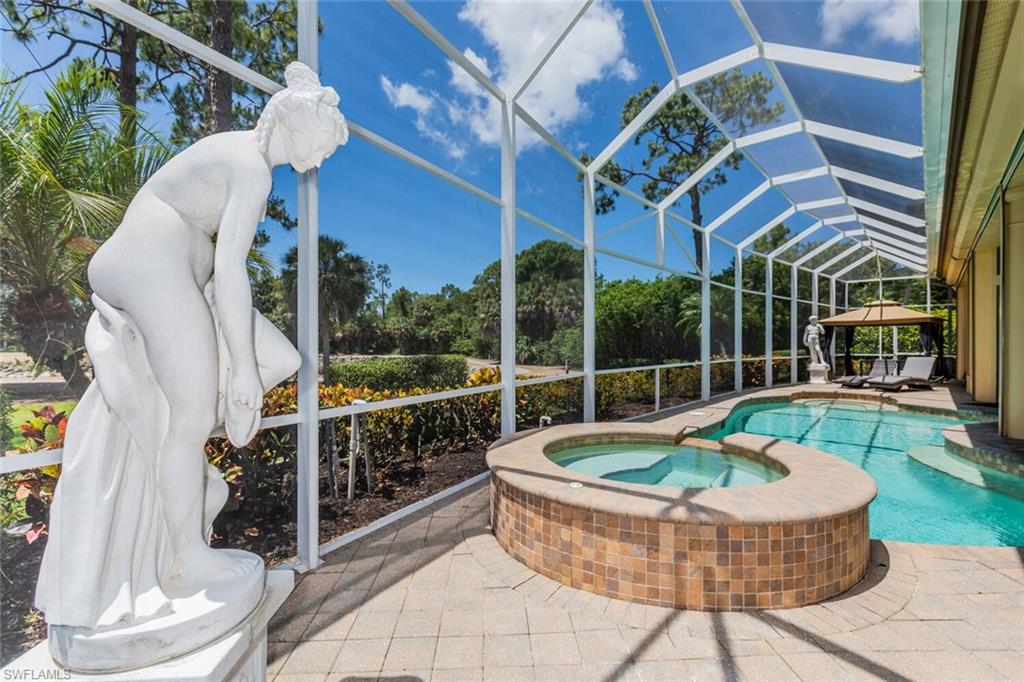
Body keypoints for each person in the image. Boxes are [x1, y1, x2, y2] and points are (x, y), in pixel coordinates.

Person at [37, 62, 348, 632]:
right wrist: (244, 375)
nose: (323, 155)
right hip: (149, 265)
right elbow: (231, 271)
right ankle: (184, 556)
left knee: (284, 359)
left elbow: (224, 271)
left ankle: (184, 480)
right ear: (295, 121)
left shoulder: (243, 158)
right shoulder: (251, 166)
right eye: (324, 141)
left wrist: (254, 367)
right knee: (192, 416)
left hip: (181, 274)